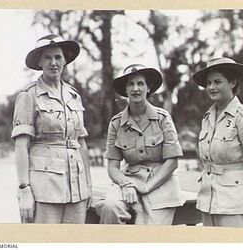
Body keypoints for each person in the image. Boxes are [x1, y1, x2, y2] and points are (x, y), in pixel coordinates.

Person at [11, 34, 92, 224]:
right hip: (44, 188)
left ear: (65, 60)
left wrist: (87, 184)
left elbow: (81, 143)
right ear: (39, 62)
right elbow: (21, 146)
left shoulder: (74, 96)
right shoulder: (29, 95)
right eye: (47, 57)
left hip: (76, 187)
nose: (53, 62)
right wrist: (24, 190)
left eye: (58, 57)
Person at [96, 64, 185, 224]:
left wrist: (147, 187)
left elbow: (172, 162)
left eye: (140, 83)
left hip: (160, 182)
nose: (135, 88)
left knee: (149, 234)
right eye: (130, 84)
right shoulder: (116, 123)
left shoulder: (162, 118)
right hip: (130, 178)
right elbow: (113, 167)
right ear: (125, 89)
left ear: (148, 88)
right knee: (110, 207)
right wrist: (126, 184)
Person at [192, 57, 243, 227]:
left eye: (218, 82)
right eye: (209, 83)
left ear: (233, 83)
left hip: (237, 202)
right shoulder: (208, 118)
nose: (211, 87)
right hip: (208, 199)